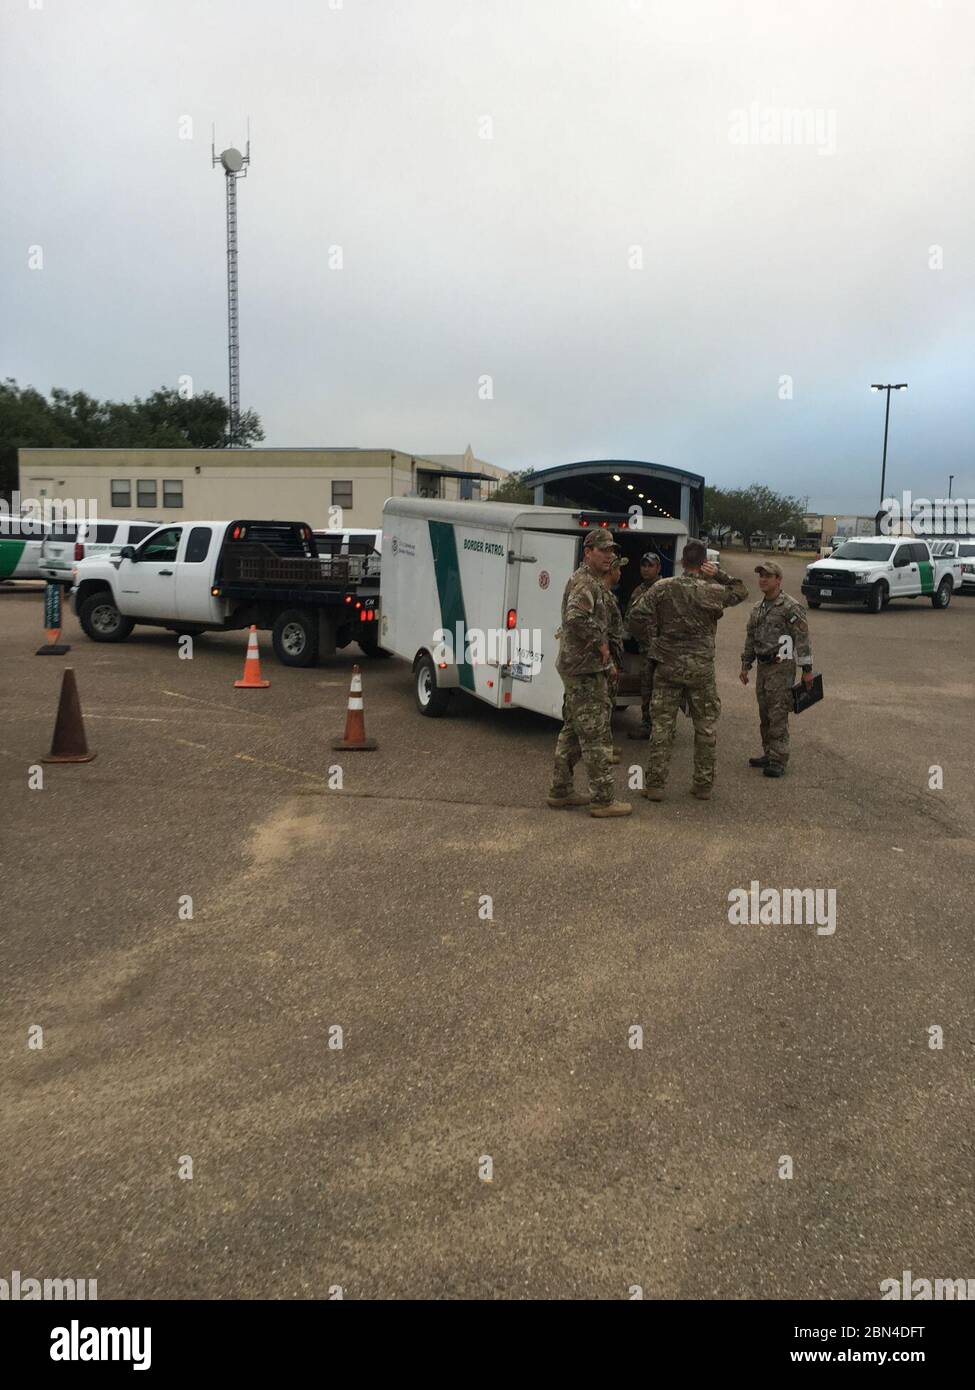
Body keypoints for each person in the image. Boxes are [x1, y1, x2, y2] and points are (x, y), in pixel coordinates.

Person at [627, 539, 747, 801]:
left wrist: (653, 639)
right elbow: (741, 591)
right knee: (705, 727)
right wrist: (719, 574)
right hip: (700, 669)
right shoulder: (711, 590)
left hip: (667, 666)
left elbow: (634, 616)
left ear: (682, 561)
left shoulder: (662, 587)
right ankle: (703, 785)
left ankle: (656, 785)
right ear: (704, 562)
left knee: (662, 727)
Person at [547, 530, 632, 818]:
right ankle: (603, 800)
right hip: (584, 669)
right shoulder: (585, 583)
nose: (608, 555)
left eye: (611, 551)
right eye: (603, 550)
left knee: (571, 731)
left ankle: (560, 791)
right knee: (595, 736)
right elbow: (576, 618)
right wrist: (602, 643)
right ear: (588, 552)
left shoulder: (591, 581)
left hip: (578, 667)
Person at [740, 561, 814, 778]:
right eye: (761, 575)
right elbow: (750, 638)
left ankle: (779, 759)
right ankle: (769, 752)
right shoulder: (757, 608)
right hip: (763, 668)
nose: (763, 579)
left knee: (778, 714)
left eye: (768, 576)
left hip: (781, 668)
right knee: (765, 713)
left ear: (779, 580)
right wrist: (746, 665)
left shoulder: (790, 607)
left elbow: (802, 639)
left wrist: (807, 670)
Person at [624, 551, 662, 740]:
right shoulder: (638, 591)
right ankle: (647, 725)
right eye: (643, 565)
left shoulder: (665, 589)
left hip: (664, 652)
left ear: (658, 568)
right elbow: (629, 619)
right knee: (647, 689)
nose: (646, 569)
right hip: (646, 651)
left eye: (650, 565)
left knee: (663, 692)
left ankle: (662, 728)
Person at [602, 556, 628, 764]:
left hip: (611, 658)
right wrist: (608, 661)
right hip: (603, 662)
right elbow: (600, 632)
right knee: (602, 707)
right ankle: (601, 750)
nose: (620, 573)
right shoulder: (601, 596)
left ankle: (605, 745)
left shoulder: (609, 595)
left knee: (608, 705)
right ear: (610, 572)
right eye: (618, 569)